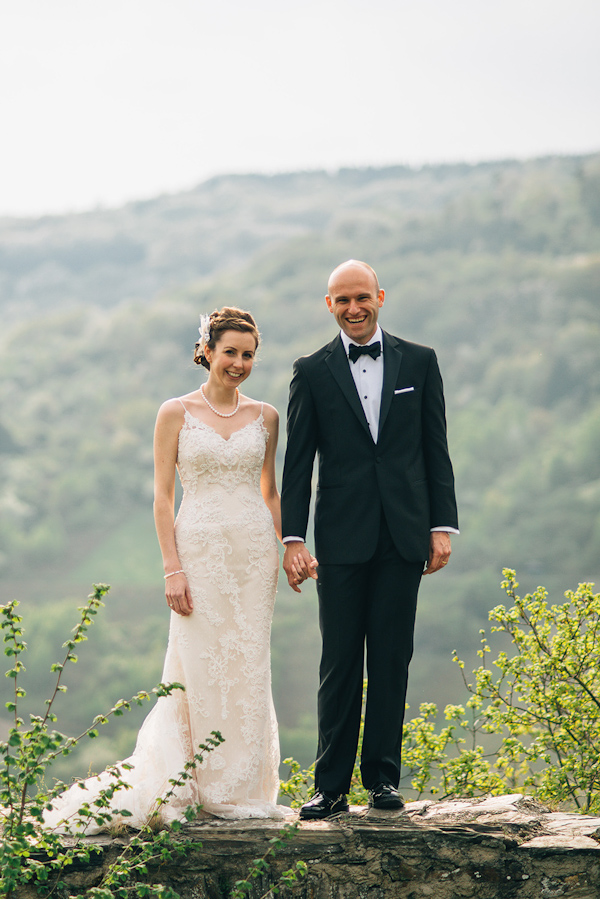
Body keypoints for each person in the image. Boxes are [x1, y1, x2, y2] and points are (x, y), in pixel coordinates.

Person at [45, 307, 290, 832]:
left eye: (248, 355)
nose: (239, 363)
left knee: (247, 661)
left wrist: (292, 544)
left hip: (252, 556)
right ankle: (190, 782)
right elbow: (161, 497)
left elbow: (270, 491)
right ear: (207, 351)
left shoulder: (267, 416)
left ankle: (243, 788)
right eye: (230, 352)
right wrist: (171, 569)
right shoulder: (174, 412)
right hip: (197, 551)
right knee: (197, 664)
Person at [281, 260, 458, 819]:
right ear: (327, 305)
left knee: (390, 660)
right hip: (340, 538)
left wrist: (441, 527)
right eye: (342, 300)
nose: (353, 308)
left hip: (405, 535)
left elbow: (436, 450)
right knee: (337, 662)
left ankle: (382, 780)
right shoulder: (310, 371)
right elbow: (297, 463)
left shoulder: (421, 361)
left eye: (362, 297)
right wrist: (292, 538)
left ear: (379, 296)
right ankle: (329, 787)